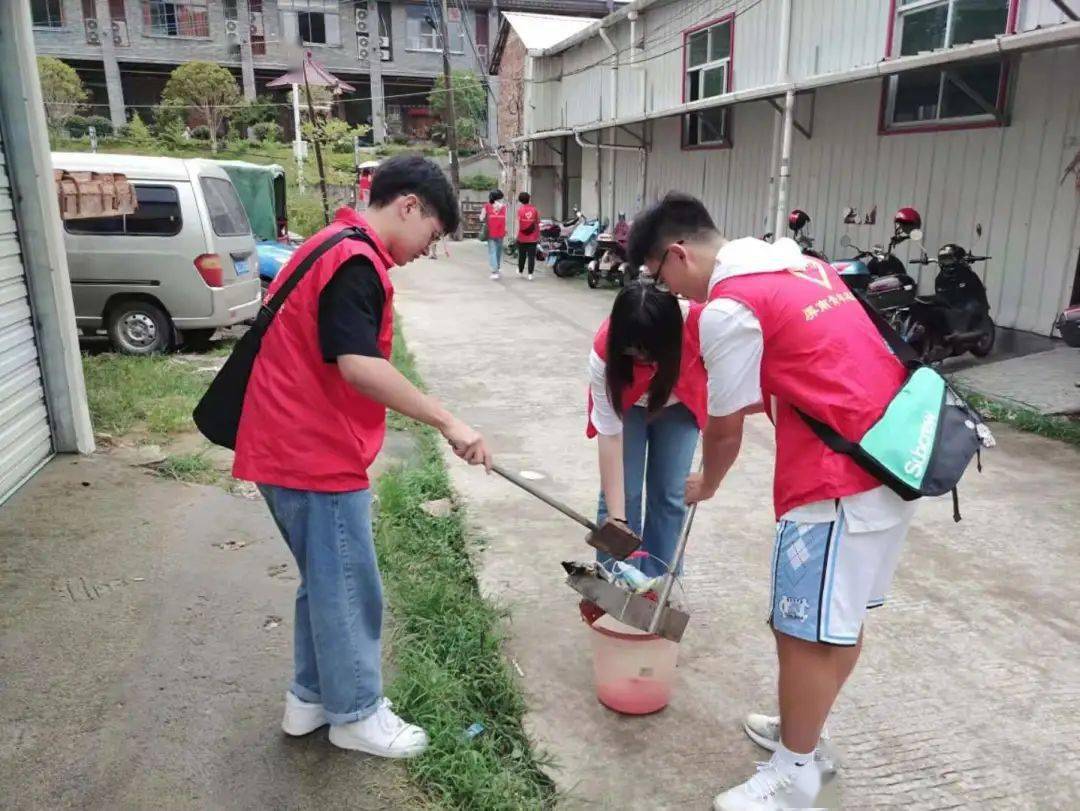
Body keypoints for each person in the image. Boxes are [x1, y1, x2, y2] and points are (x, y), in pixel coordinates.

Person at [626, 193, 916, 810]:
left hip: (834, 481)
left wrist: (709, 481)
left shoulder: (729, 308)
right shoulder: (800, 266)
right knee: (836, 622)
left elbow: (725, 429)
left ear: (676, 253)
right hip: (887, 462)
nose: (671, 294)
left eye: (660, 277)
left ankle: (796, 774)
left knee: (801, 632)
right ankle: (802, 736)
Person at [232, 155, 492, 760]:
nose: (428, 250)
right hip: (310, 450)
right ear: (409, 206)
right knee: (351, 586)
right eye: (431, 235)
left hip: (287, 442)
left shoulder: (332, 242)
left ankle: (310, 700)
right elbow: (359, 366)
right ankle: (356, 714)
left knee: (324, 582)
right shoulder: (354, 260)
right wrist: (449, 420)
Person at [587, 283, 708, 578]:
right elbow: (610, 436)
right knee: (622, 495)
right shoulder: (604, 354)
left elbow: (728, 395)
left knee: (670, 493)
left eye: (649, 354)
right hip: (628, 408)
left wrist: (711, 477)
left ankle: (659, 582)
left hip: (680, 403)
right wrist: (617, 520)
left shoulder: (702, 325)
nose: (642, 361)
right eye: (633, 353)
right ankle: (616, 579)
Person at [480, 189, 507, 280]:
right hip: (501, 232)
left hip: (491, 232)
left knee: (492, 251)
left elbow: (481, 218)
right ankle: (498, 267)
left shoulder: (487, 206)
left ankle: (494, 271)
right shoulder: (503, 206)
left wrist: (485, 218)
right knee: (498, 251)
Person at [515, 191, 539, 280]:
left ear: (520, 200)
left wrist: (516, 235)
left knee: (522, 255)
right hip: (533, 237)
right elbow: (537, 222)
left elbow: (518, 223)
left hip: (522, 237)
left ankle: (520, 271)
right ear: (529, 199)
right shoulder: (534, 209)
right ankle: (530, 274)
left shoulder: (520, 210)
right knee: (531, 256)